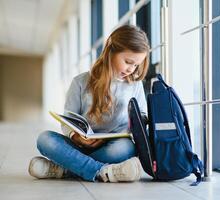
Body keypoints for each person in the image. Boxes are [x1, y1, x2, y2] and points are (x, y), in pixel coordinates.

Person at [28, 25, 149, 183]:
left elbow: (142, 117)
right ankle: (103, 171)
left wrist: (138, 123)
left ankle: (65, 168)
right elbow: (67, 120)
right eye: (128, 62)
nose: (131, 70)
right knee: (45, 139)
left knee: (126, 148)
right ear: (111, 51)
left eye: (136, 65)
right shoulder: (80, 82)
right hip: (80, 144)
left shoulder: (135, 86)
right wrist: (76, 137)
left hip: (112, 146)